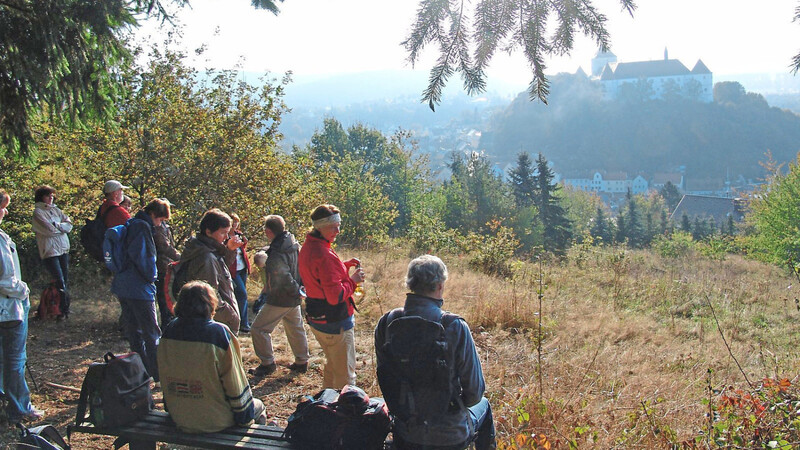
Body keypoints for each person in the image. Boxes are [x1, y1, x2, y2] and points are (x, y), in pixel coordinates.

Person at [374, 255, 495, 450]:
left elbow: (386, 377)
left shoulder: (387, 322)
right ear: (440, 285)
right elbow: (475, 393)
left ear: (410, 283)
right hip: (450, 435)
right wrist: (450, 406)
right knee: (485, 405)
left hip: (406, 432)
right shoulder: (454, 326)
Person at [158, 280, 266, 433]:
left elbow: (164, 373)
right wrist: (245, 419)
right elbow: (235, 385)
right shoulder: (218, 334)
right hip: (216, 420)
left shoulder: (169, 330)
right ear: (210, 304)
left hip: (179, 416)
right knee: (259, 406)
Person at [298, 204, 364, 389]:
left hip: (318, 318)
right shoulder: (324, 254)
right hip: (335, 320)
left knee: (334, 365)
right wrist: (353, 280)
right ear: (319, 226)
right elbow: (336, 296)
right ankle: (344, 412)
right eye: (333, 226)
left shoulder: (310, 245)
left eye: (339, 225)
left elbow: (319, 274)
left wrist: (343, 266)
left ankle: (328, 403)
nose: (338, 230)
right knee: (346, 377)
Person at [111, 198, 172, 384]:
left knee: (134, 331)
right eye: (160, 220)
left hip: (123, 285)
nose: (160, 224)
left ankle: (141, 371)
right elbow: (143, 257)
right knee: (151, 332)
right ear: (153, 214)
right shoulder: (142, 227)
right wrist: (151, 278)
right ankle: (157, 373)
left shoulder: (131, 222)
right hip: (139, 287)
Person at [0, 189, 45, 423]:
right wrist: (23, 290)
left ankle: (6, 402)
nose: (5, 212)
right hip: (8, 309)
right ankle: (19, 406)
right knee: (14, 360)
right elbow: (6, 280)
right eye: (3, 207)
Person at [248, 215, 310, 376]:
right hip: (293, 296)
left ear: (269, 231)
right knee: (295, 327)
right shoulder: (293, 243)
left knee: (258, 329)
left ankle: (267, 363)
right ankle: (302, 361)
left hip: (281, 297)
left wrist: (296, 290)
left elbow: (283, 275)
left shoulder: (277, 252)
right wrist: (300, 289)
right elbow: (301, 266)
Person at [179, 208, 240, 334]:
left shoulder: (209, 249)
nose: (226, 237)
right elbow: (210, 294)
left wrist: (229, 250)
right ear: (208, 232)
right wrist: (232, 316)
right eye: (223, 233)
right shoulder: (205, 256)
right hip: (216, 321)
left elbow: (221, 272)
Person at [31, 185, 73, 319]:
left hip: (63, 249)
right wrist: (60, 228)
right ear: (41, 197)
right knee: (59, 280)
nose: (51, 198)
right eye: (48, 195)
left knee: (64, 280)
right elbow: (49, 229)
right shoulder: (38, 212)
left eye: (52, 195)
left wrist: (59, 226)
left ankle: (58, 309)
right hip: (49, 250)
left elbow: (69, 225)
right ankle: (60, 310)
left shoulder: (56, 210)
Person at [153, 199, 180, 326]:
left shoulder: (163, 225)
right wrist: (181, 257)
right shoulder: (158, 226)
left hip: (166, 265)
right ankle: (167, 326)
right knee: (164, 298)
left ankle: (168, 323)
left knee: (168, 297)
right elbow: (164, 247)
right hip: (161, 266)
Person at [227, 214, 251, 333]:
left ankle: (244, 320)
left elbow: (241, 251)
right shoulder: (225, 236)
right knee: (242, 294)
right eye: (233, 222)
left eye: (237, 222)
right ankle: (242, 322)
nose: (235, 224)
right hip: (232, 270)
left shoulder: (239, 234)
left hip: (242, 268)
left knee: (242, 295)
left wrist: (244, 244)